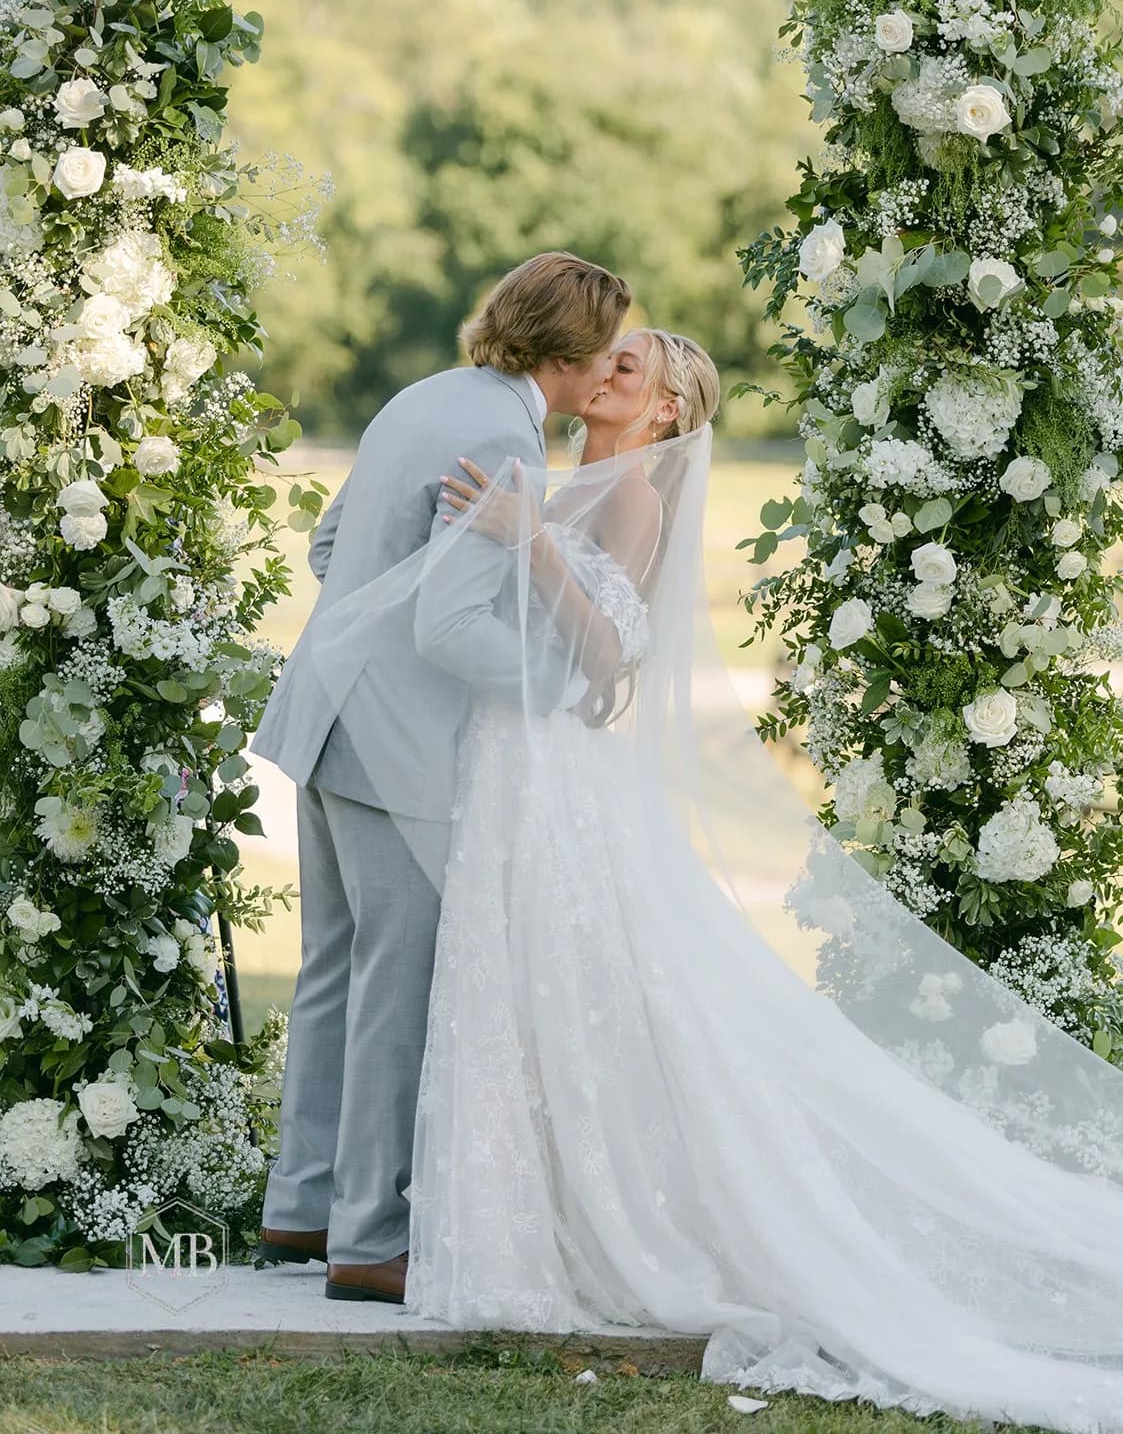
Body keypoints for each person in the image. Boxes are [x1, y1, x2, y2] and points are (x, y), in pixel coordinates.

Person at [309, 323, 1123, 1434]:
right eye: (603, 359)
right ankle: (493, 1212)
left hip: (556, 771)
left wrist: (526, 543)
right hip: (505, 762)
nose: (604, 370)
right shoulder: (554, 474)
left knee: (578, 978)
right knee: (509, 984)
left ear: (664, 414)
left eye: (628, 367)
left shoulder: (633, 497)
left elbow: (609, 658)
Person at [249, 251, 630, 1302]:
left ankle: (302, 1207)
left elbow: (334, 546)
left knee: (332, 965)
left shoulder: (424, 396)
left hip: (321, 711)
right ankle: (369, 1240)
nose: (607, 366)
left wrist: (377, 623)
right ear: (569, 351)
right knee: (395, 982)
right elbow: (451, 620)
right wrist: (560, 676)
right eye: (603, 348)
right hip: (390, 745)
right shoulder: (505, 438)